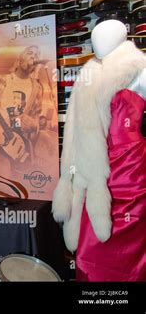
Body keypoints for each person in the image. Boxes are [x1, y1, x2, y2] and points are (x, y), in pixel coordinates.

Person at [52, 20, 146, 281]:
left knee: (133, 259)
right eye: (95, 37)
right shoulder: (87, 74)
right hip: (92, 176)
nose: (98, 42)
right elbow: (75, 132)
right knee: (87, 257)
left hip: (131, 176)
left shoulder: (141, 69)